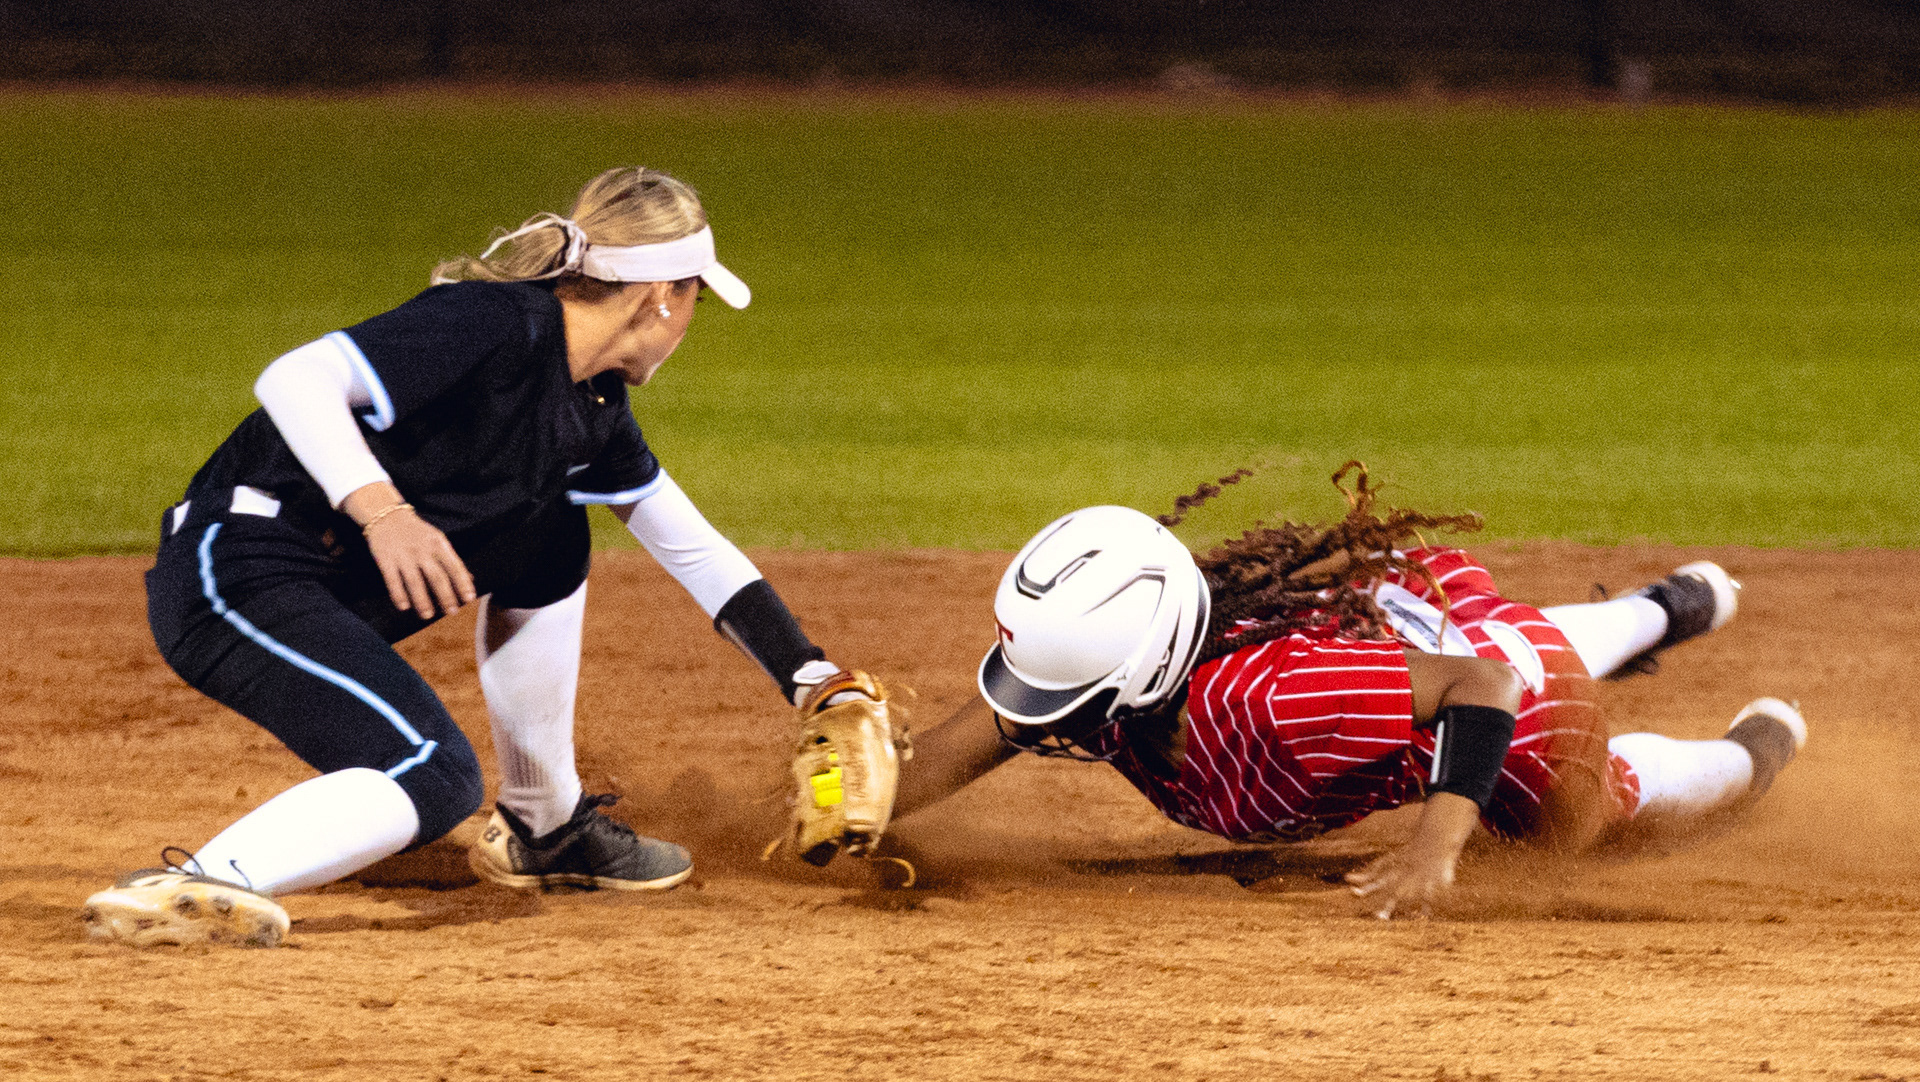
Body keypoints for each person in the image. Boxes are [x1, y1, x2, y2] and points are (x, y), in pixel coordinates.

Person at [84, 167, 860, 948]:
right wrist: (384, 511)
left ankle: (547, 827)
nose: (690, 322)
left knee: (552, 533)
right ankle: (197, 883)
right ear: (661, 294)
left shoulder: (591, 407)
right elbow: (294, 378)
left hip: (324, 583)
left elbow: (693, 548)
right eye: (696, 298)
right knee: (433, 772)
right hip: (233, 570)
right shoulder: (496, 321)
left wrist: (815, 681)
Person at [886, 466, 1805, 919]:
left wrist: (1435, 849)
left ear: (1141, 670)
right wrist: (847, 807)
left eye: (1061, 690)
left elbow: (1487, 685)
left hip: (1513, 713)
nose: (1036, 709)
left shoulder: (1276, 702)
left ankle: (1755, 754)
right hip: (1414, 632)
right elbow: (960, 747)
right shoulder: (1110, 661)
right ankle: (1669, 606)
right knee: (1513, 632)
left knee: (1591, 814)